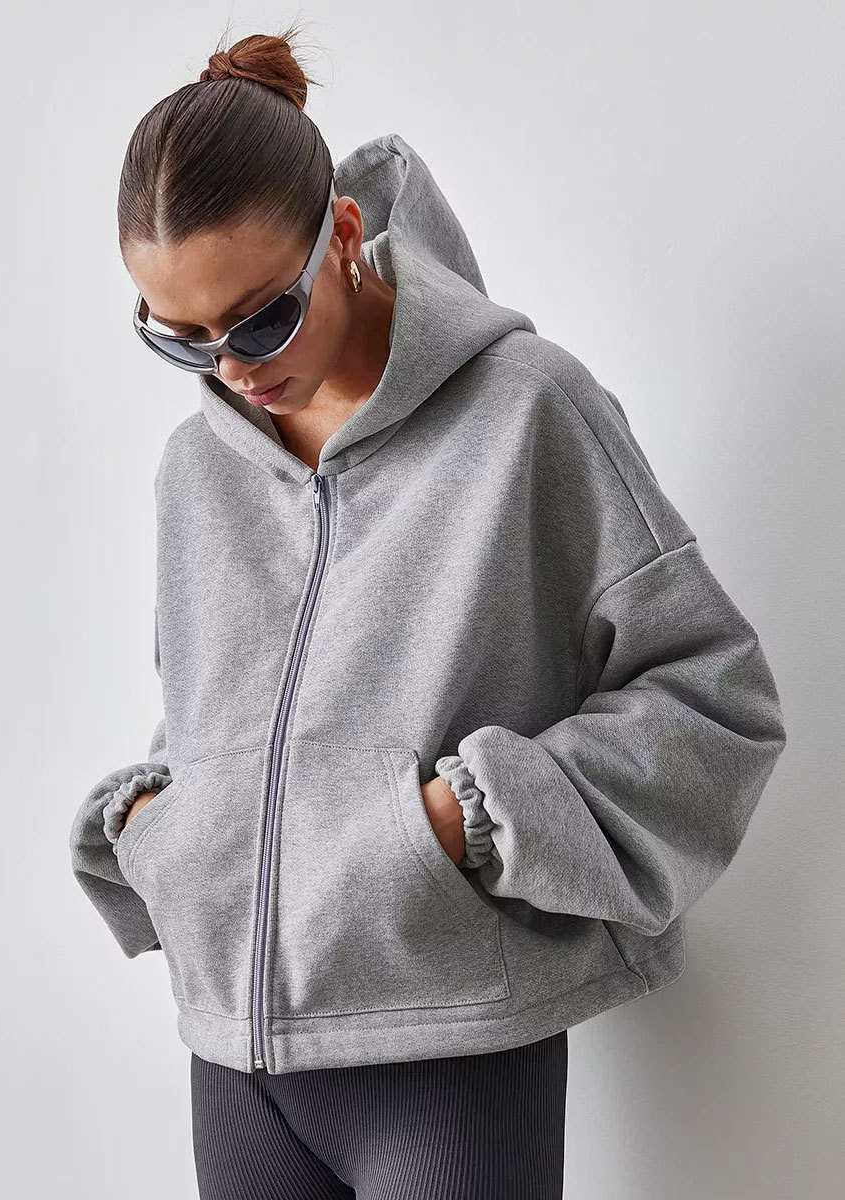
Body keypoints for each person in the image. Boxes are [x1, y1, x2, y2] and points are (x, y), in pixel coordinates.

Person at [68, 24, 788, 1200]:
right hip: (233, 1063)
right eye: (179, 338)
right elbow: (220, 714)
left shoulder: (527, 412)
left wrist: (460, 820)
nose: (233, 368)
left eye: (260, 319)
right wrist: (169, 824)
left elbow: (718, 703)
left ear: (344, 235)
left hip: (454, 1051)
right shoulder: (195, 474)